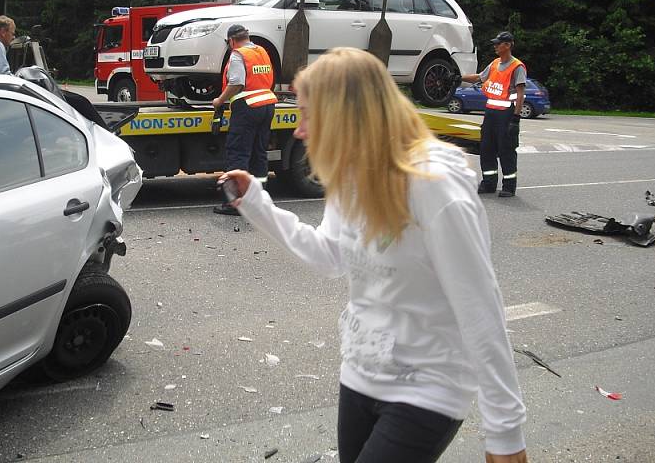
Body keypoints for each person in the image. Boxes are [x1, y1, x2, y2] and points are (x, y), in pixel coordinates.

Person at [218, 48, 528, 463]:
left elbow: (480, 308)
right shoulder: (353, 175)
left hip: (429, 385)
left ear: (347, 117)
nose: (299, 131)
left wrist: (505, 433)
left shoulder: (435, 187)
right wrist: (258, 204)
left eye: (309, 115)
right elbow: (330, 256)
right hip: (361, 377)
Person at [211, 24, 277, 215]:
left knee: (238, 154)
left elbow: (237, 83)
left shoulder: (238, 54)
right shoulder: (261, 51)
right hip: (267, 105)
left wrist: (219, 100)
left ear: (231, 41)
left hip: (247, 108)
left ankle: (236, 204)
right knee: (259, 154)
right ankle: (259, 201)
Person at [462, 31, 526, 197]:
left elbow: (520, 93)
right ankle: (489, 183)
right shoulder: (495, 63)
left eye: (499, 43)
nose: (495, 46)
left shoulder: (517, 67)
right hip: (490, 113)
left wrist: (516, 119)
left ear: (508, 45)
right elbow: (479, 78)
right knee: (487, 148)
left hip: (506, 114)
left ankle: (509, 186)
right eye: (495, 43)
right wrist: (459, 78)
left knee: (506, 150)